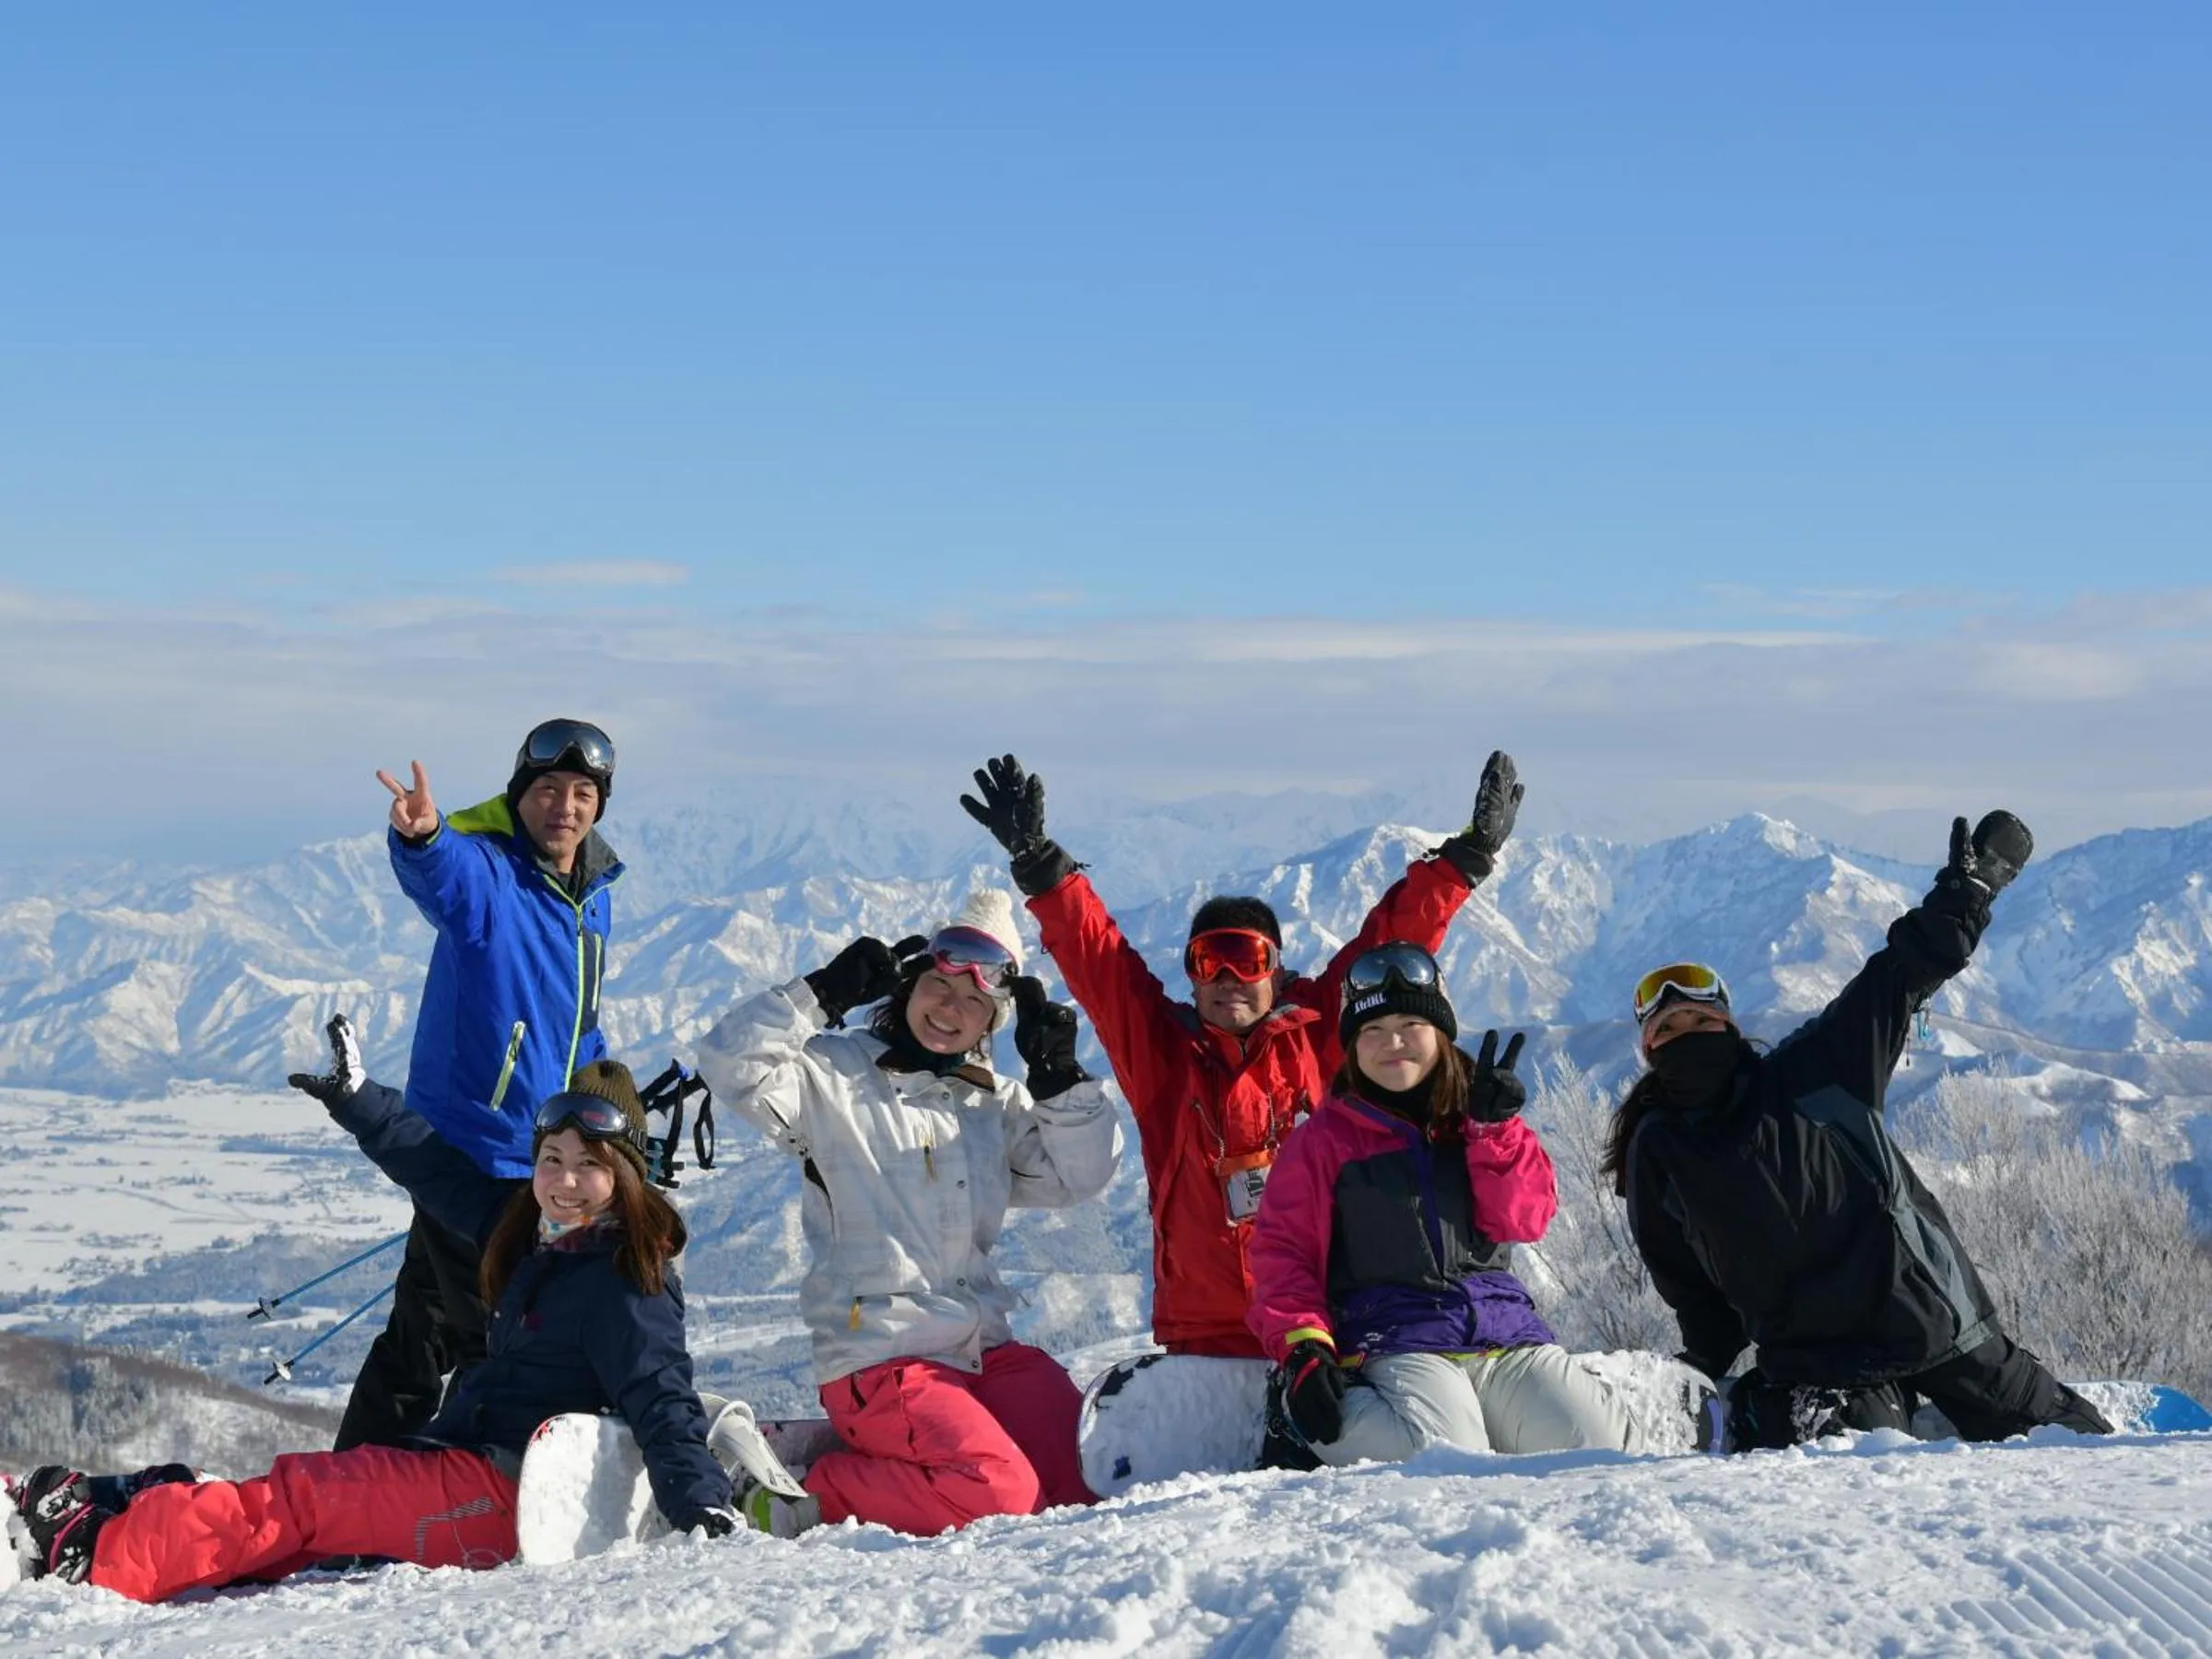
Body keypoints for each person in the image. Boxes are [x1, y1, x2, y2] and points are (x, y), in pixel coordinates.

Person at [5, 1053, 754, 1600]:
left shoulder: (626, 1279)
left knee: (307, 1500)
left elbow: (663, 1397)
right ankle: (146, 1506)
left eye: (588, 1165)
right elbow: (436, 1171)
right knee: (308, 1514)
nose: (562, 1179)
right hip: (467, 1466)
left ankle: (97, 1553)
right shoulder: (528, 1230)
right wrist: (359, 1100)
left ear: (623, 1177)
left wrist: (701, 1504)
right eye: (551, 1158)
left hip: (502, 1498)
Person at [959, 750, 1525, 1367]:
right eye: (1210, 962)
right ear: (1193, 976)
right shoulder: (1163, 1055)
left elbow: (1392, 941)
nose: (1229, 979)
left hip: (1329, 1320)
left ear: (1276, 970)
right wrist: (1040, 862)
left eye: (1248, 960)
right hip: (1207, 1334)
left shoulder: (1320, 1036)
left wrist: (1463, 861)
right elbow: (1101, 961)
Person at [1605, 811, 2113, 1448]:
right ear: (1650, 1050)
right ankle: (1782, 1410)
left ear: (1730, 1027)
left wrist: (1966, 898)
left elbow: (1897, 979)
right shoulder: (1660, 1148)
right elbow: (1691, 1285)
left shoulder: (1817, 1070)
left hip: (1932, 1323)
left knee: (2084, 1448)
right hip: (1822, 1366)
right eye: (1669, 1031)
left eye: (1700, 1021)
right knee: (1861, 1479)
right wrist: (1699, 1370)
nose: (1688, 1037)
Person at [691, 891, 1122, 1535]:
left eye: (974, 1001)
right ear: (907, 989)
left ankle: (909, 1467)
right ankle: (802, 1493)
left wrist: (1059, 1077)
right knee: (999, 1493)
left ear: (991, 1023)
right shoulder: (833, 1076)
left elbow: (1078, 1177)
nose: (950, 1009)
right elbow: (730, 1063)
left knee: (1079, 1484)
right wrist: (820, 994)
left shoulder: (995, 1105)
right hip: (880, 1357)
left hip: (983, 1351)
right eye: (938, 986)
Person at [338, 717, 624, 1453]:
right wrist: (423, 837)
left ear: (598, 805)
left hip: (537, 1151)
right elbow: (445, 877)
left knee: (421, 1330)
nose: (564, 806)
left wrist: (606, 1105)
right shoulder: (492, 874)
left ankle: (356, 1479)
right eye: (548, 790)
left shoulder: (592, 894)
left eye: (582, 792)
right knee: (490, 1338)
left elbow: (578, 1021)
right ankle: (467, 1488)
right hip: (476, 1149)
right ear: (519, 796)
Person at [1244, 943, 1647, 1464]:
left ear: (1440, 1032)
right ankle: (1298, 1416)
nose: (1392, 1043)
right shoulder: (1324, 1142)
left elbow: (1524, 1218)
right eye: (1371, 1030)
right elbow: (1283, 1254)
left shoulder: (1477, 1121)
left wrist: (1493, 1132)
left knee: (1602, 1450)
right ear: (1352, 1046)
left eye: (1410, 1023)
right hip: (1393, 1338)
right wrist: (1303, 1348)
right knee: (1443, 1462)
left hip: (1504, 1335)